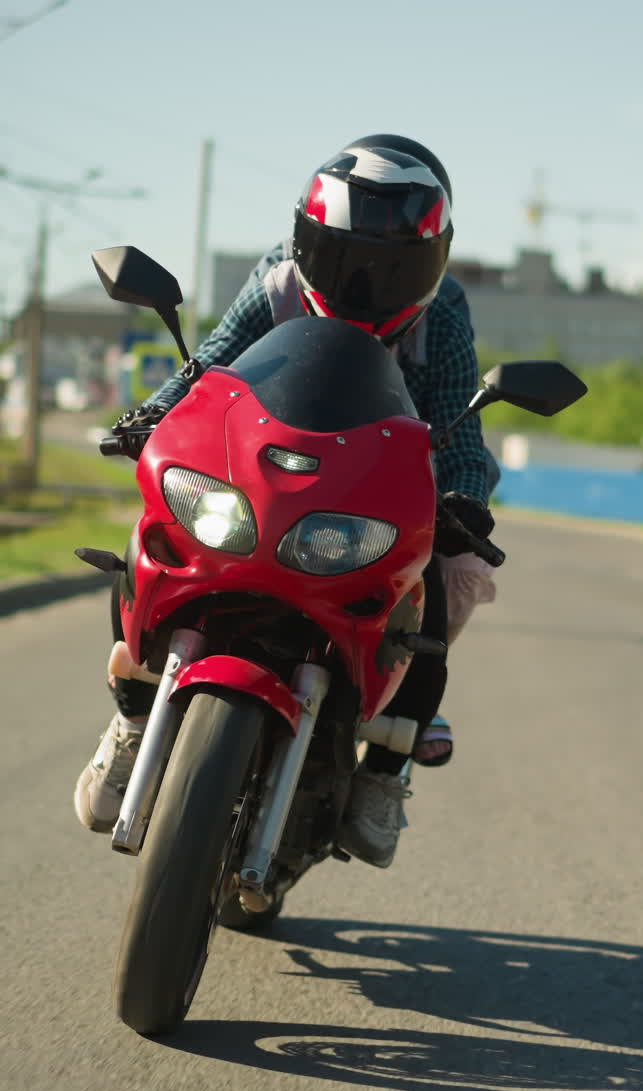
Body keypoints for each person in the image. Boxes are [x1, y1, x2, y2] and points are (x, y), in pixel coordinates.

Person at [73, 133, 501, 869]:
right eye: (344, 256)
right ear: (306, 241)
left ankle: (385, 766)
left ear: (432, 262)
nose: (364, 281)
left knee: (441, 582)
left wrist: (465, 495)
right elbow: (209, 364)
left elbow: (461, 423)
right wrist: (150, 417)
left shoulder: (447, 309)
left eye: (391, 265)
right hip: (262, 467)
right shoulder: (276, 276)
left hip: (374, 486)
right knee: (158, 537)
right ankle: (136, 718)